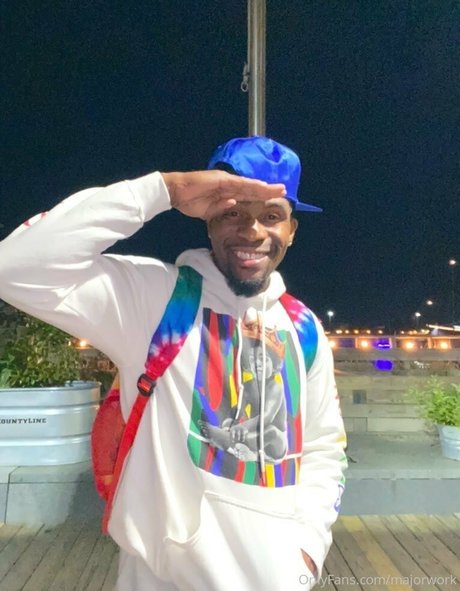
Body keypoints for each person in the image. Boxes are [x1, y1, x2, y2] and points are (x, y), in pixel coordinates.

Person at [0, 135, 347, 591]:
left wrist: (309, 549)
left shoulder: (303, 328)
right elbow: (14, 267)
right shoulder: (156, 300)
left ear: (291, 230)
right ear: (208, 221)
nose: (252, 232)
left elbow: (324, 446)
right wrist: (165, 189)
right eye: (233, 213)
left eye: (271, 216)